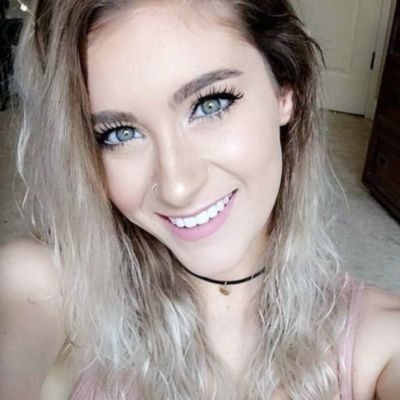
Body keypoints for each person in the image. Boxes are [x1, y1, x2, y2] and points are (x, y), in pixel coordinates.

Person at [0, 0, 399, 399]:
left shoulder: (382, 339)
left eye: (209, 105)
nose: (176, 187)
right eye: (120, 134)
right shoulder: (47, 286)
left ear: (284, 88)